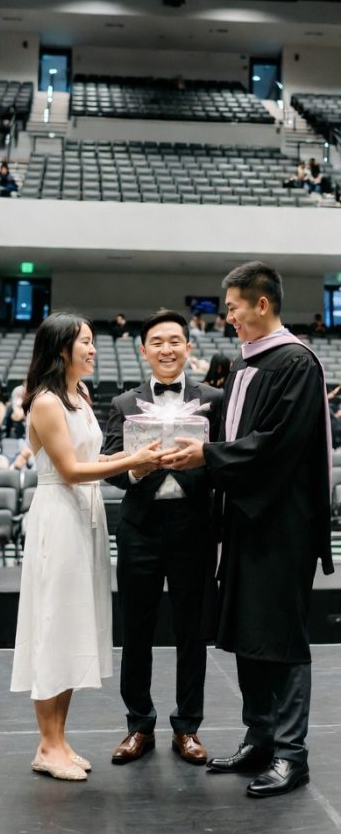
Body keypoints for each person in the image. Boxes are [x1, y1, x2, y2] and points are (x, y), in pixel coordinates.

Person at [163, 261, 333, 798]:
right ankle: (260, 736)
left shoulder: (296, 364)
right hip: (242, 520)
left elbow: (277, 445)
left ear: (263, 305)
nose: (227, 317)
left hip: (281, 523)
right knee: (248, 633)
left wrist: (207, 456)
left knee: (279, 636)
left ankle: (291, 752)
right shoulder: (243, 366)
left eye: (234, 307)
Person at [10, 313, 165, 782]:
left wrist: (134, 458)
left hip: (86, 514)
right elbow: (70, 470)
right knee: (53, 624)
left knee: (74, 625)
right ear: (62, 349)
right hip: (59, 513)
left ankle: (59, 740)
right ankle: (46, 745)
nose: (94, 349)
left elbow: (92, 459)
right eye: (86, 342)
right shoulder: (46, 402)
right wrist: (133, 459)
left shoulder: (78, 397)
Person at [103, 310, 223, 766]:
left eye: (175, 341)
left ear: (188, 348)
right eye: (157, 342)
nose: (167, 349)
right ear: (144, 350)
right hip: (141, 528)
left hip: (194, 526)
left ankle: (188, 727)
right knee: (136, 629)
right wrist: (136, 466)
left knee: (191, 630)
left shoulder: (214, 397)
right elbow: (112, 467)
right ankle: (138, 725)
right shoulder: (123, 404)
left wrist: (202, 460)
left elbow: (226, 457)